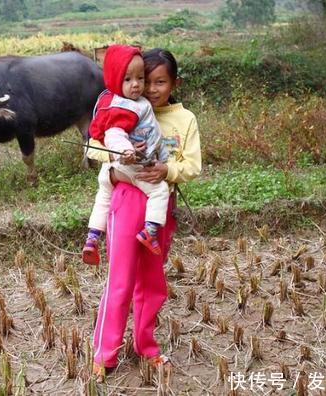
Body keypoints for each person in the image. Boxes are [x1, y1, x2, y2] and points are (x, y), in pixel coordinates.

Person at [87, 48, 202, 381]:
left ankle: (146, 347)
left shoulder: (185, 119)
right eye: (142, 80)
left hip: (159, 207)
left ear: (173, 83)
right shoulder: (122, 107)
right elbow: (94, 146)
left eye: (159, 82)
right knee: (120, 279)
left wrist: (167, 168)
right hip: (125, 199)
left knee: (152, 281)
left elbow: (192, 166)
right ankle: (105, 353)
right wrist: (119, 154)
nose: (149, 88)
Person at [83, 45, 170, 266]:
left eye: (140, 78)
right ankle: (150, 231)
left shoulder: (109, 100)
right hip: (130, 165)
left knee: (102, 198)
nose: (137, 85)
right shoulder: (127, 107)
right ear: (114, 78)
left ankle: (92, 237)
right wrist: (125, 152)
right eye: (128, 79)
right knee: (159, 191)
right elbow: (114, 133)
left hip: (110, 170)